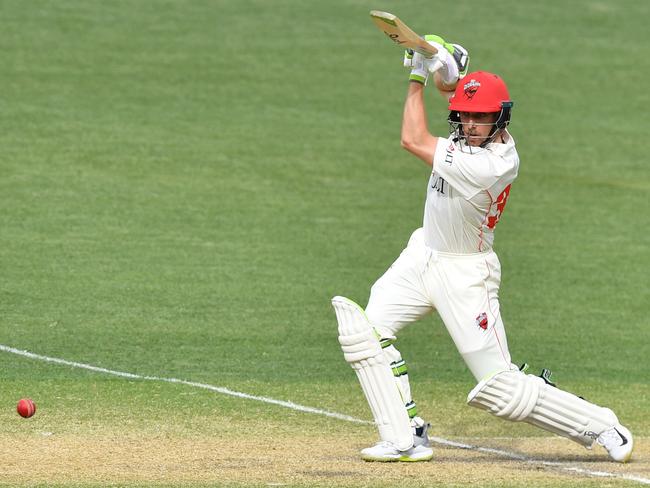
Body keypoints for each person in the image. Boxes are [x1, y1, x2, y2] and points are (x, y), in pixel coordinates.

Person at [331, 34, 634, 463]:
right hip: (423, 255)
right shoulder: (467, 136)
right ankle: (405, 437)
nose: (470, 125)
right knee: (365, 334)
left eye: (481, 118)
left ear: (501, 120)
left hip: (466, 274)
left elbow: (412, 138)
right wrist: (445, 64)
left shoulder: (492, 164)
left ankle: (602, 425)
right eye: (464, 117)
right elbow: (453, 86)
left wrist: (419, 71)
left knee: (500, 389)